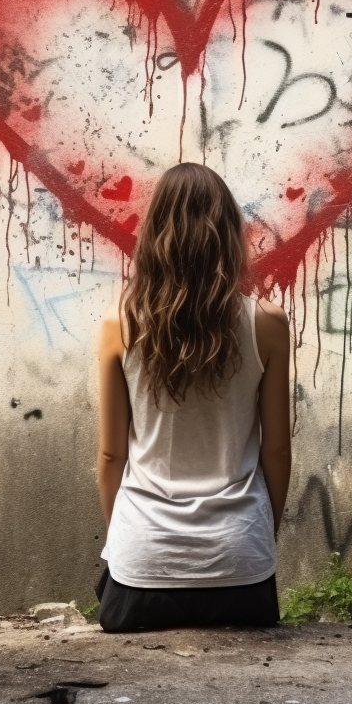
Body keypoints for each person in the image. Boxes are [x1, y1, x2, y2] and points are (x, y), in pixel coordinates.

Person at [95, 162, 292, 632]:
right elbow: (278, 450)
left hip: (142, 571)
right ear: (228, 235)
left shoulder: (118, 325)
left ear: (155, 234)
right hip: (240, 567)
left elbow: (110, 455)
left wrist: (128, 540)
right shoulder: (267, 323)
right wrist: (258, 536)